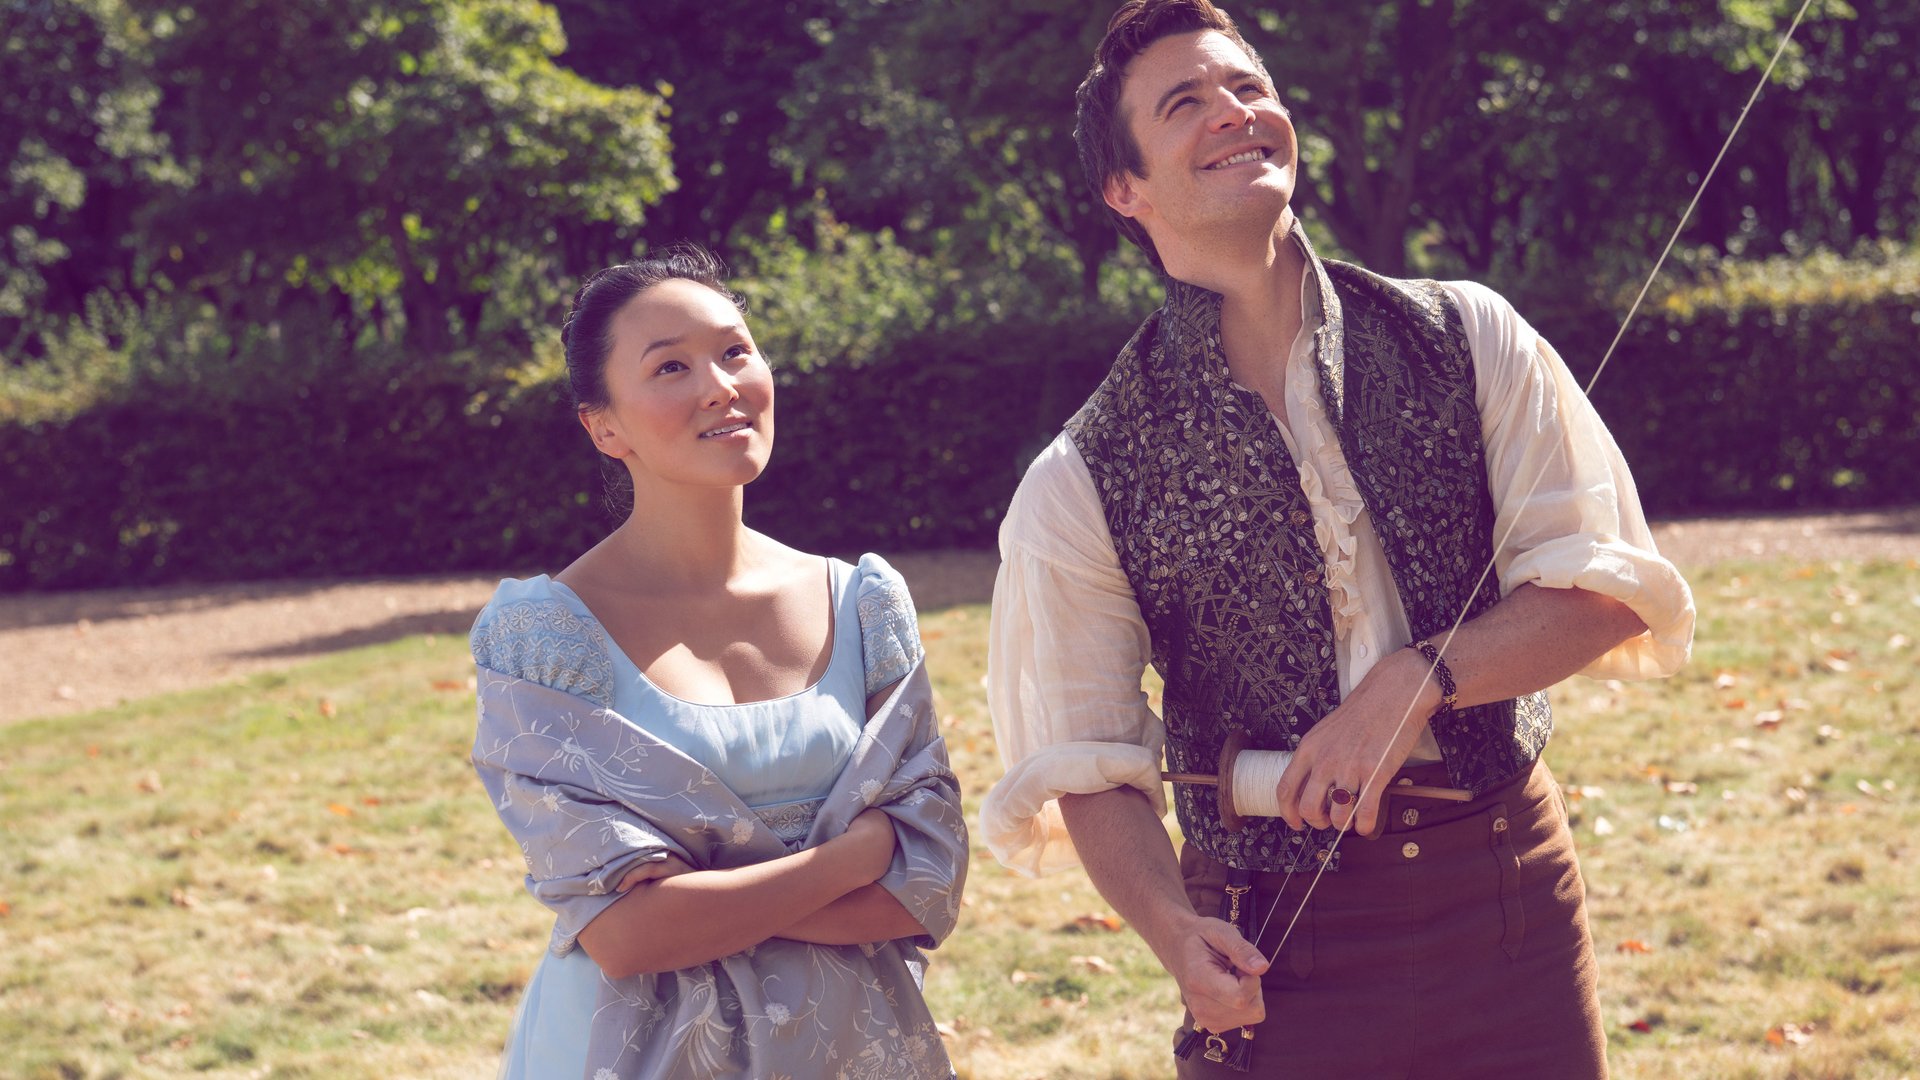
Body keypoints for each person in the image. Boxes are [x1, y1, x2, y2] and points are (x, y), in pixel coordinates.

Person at [979, 2, 1695, 1076]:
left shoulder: (1469, 335)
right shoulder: (1080, 476)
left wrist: (1420, 678)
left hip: (1509, 897)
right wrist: (1174, 933)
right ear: (1124, 188)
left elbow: (1603, 594)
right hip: (1276, 944)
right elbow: (1089, 765)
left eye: (1249, 87)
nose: (1234, 112)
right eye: (1185, 103)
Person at [469, 244, 966, 1079]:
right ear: (603, 425)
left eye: (735, 351)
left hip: (858, 1050)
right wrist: (849, 858)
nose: (720, 386)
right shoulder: (543, 638)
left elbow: (927, 883)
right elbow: (627, 936)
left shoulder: (865, 604)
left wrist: (702, 898)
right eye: (671, 366)